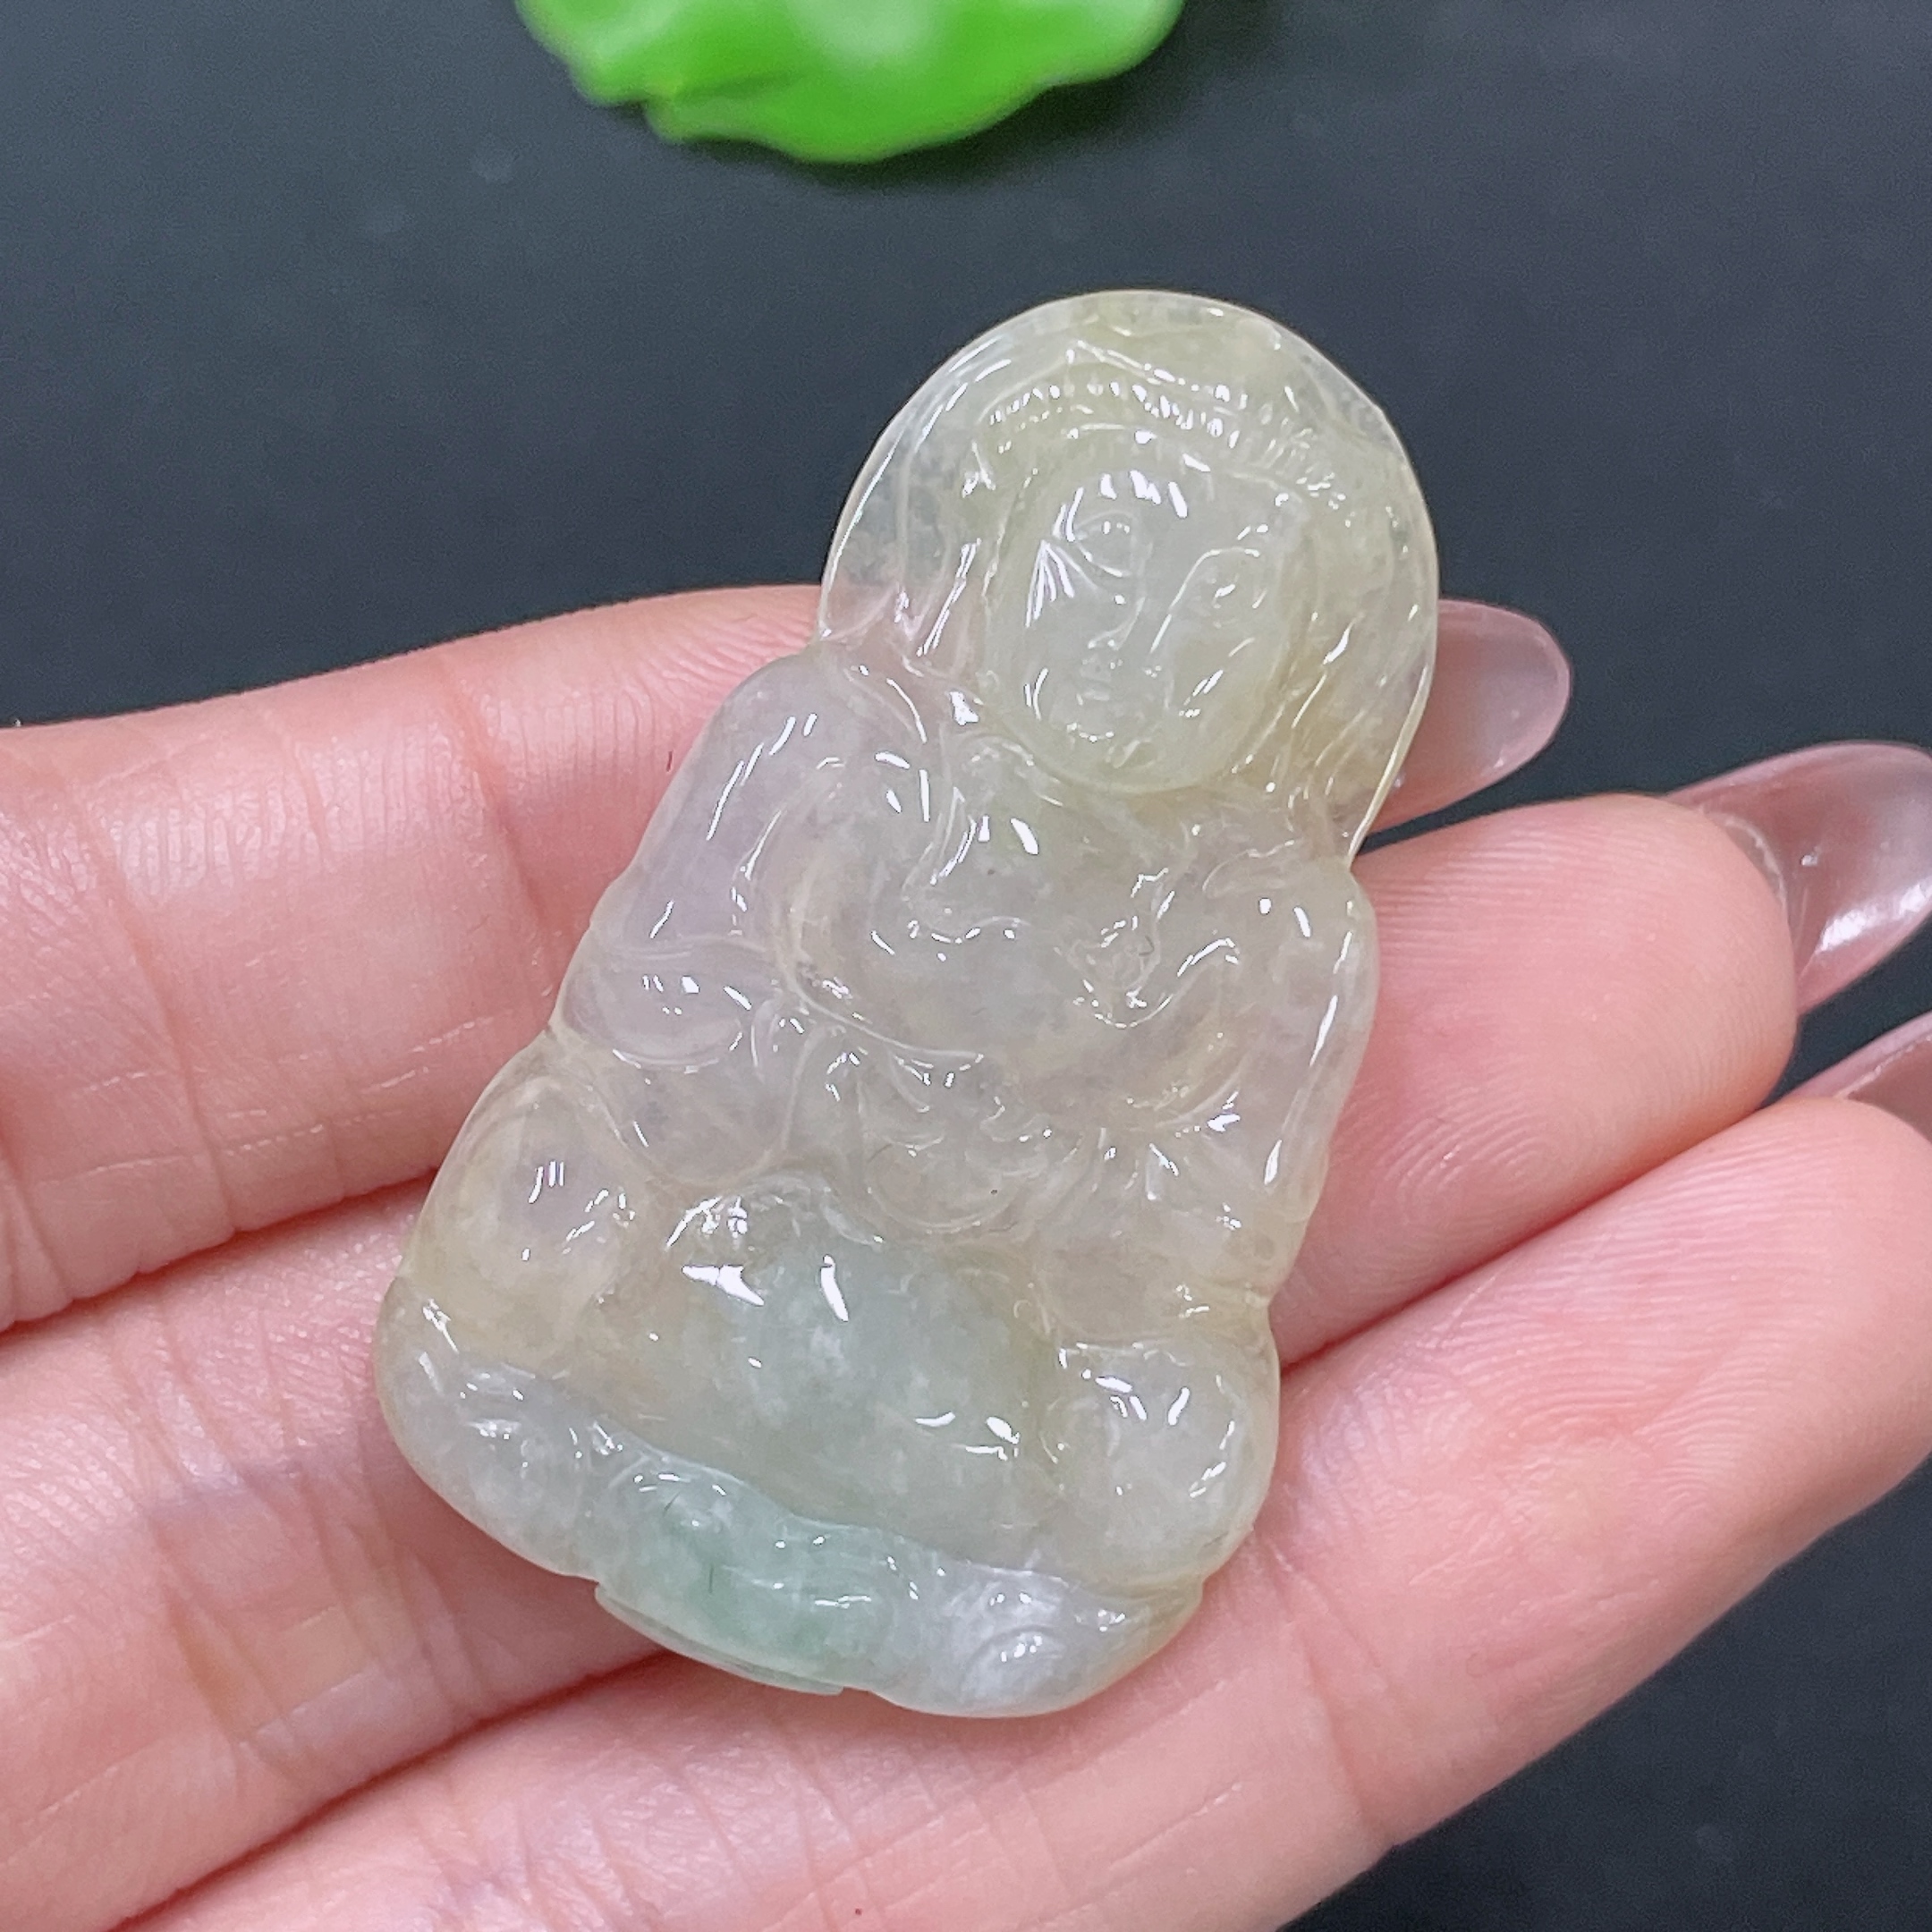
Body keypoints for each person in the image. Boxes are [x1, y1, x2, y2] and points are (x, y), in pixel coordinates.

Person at [2, 586, 1929, 1931]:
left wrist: (1026, 1181)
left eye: (1215, 621)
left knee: (1157, 1440)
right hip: (739, 1245)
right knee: (565, 1185)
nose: (1144, 648)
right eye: (1108, 575)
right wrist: (831, 1092)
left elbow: (1204, 1216)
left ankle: (897, 1545)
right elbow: (657, 1009)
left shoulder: (1271, 926)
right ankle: (600, 1426)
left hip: (983, 1341)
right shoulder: (831, 742)